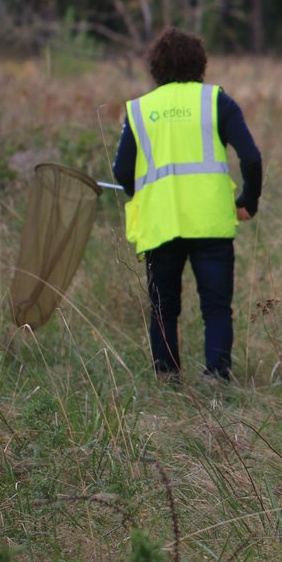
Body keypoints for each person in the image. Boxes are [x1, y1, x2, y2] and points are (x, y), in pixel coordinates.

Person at [112, 27, 262, 382]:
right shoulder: (217, 102)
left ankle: (167, 376)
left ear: (155, 67)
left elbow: (121, 171)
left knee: (163, 308)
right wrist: (248, 201)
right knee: (216, 307)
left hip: (161, 224)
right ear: (201, 63)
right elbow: (252, 158)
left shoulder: (139, 110)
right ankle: (217, 375)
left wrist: (144, 193)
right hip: (211, 222)